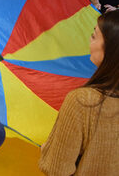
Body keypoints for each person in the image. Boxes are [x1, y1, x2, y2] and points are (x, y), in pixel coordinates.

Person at [39, 10, 119, 175]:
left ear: (111, 48)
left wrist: (49, 150)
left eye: (94, 35)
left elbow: (57, 170)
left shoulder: (82, 101)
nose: (89, 40)